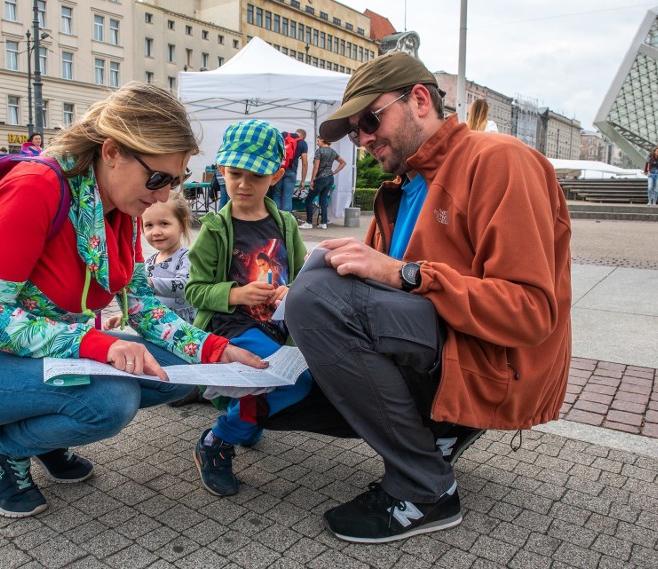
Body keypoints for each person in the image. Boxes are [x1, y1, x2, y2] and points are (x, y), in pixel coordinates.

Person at [0, 82, 264, 519]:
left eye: (176, 180)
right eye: (157, 178)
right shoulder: (35, 188)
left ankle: (45, 437)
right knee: (109, 402)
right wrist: (101, 344)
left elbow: (144, 307)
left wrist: (216, 351)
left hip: (36, 358)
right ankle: (2, 447)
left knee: (184, 373)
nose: (163, 195)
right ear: (112, 151)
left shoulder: (121, 210)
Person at [280, 51, 571, 544]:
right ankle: (440, 434)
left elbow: (531, 313)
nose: (364, 139)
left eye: (369, 120)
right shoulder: (403, 187)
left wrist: (407, 274)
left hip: (496, 363)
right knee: (307, 295)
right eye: (355, 132)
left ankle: (424, 488)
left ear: (419, 100)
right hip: (445, 352)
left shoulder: (499, 160)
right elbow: (360, 302)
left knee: (316, 298)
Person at [186, 119, 312, 497]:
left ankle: (246, 413)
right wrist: (236, 294)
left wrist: (290, 289)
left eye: (255, 175)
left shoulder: (286, 223)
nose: (242, 184)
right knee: (295, 381)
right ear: (222, 170)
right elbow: (194, 291)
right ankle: (217, 440)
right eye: (235, 173)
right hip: (232, 329)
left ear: (275, 175)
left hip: (276, 329)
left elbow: (304, 275)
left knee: (288, 382)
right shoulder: (214, 229)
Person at [103, 191, 197, 329]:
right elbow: (146, 300)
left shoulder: (186, 257)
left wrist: (151, 282)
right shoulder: (150, 262)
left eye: (164, 223)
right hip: (157, 324)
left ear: (182, 225)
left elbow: (185, 286)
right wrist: (126, 316)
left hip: (182, 327)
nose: (156, 232)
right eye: (149, 225)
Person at [299, 136, 346, 230]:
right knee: (323, 200)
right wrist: (334, 171)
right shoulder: (332, 151)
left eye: (318, 141)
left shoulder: (319, 151)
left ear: (323, 140)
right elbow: (343, 162)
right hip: (330, 178)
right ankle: (323, 223)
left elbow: (316, 167)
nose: (317, 143)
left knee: (309, 200)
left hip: (320, 179)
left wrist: (312, 180)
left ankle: (309, 222)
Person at [270, 128, 309, 212]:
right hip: (291, 171)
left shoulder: (283, 135)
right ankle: (286, 222)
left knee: (276, 195)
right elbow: (305, 162)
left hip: (278, 170)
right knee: (287, 197)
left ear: (296, 132)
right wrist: (303, 180)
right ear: (303, 137)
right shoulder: (302, 143)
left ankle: (276, 220)